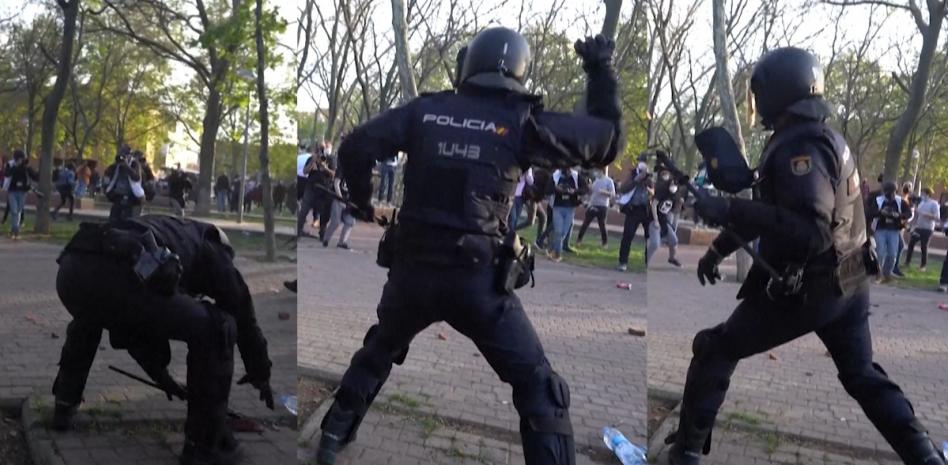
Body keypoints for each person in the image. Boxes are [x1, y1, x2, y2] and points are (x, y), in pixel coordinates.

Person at [315, 29, 621, 465]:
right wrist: (599, 71)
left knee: (380, 348)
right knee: (539, 386)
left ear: (467, 65)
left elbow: (356, 146)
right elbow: (606, 140)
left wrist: (362, 201)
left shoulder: (426, 111)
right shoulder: (523, 122)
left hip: (412, 277)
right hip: (479, 284)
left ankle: (331, 437)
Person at [665, 47, 946, 465]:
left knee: (715, 350)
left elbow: (808, 230)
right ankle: (926, 457)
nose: (756, 105)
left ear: (778, 92)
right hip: (849, 281)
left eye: (759, 94)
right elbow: (777, 213)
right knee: (862, 375)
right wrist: (720, 248)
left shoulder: (802, 150)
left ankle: (684, 455)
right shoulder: (824, 137)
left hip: (810, 290)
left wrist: (727, 209)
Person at [51, 215, 274, 465]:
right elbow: (241, 309)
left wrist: (162, 376)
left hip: (71, 272)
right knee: (218, 327)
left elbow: (133, 322)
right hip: (117, 274)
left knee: (91, 314)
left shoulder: (163, 231)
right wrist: (260, 370)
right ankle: (205, 447)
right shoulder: (213, 248)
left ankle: (64, 403)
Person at [867, 181, 911, 283]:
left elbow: (908, 213)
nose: (890, 195)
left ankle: (887, 274)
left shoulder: (900, 201)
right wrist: (880, 212)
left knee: (892, 254)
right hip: (880, 229)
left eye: (893, 193)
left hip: (894, 230)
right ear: (884, 192)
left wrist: (899, 215)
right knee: (880, 253)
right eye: (888, 193)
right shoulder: (878, 200)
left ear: (896, 191)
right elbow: (870, 213)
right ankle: (878, 275)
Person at [616, 155, 651, 271]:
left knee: (649, 238)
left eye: (646, 162)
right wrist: (636, 180)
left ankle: (648, 263)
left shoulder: (650, 176)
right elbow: (623, 189)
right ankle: (623, 262)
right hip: (633, 209)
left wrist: (648, 180)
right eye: (642, 161)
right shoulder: (632, 174)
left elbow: (655, 190)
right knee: (628, 235)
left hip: (647, 210)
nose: (644, 164)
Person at [646, 166, 682, 267]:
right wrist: (656, 220)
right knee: (655, 244)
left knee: (674, 240)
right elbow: (653, 205)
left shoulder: (675, 195)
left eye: (675, 185)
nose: (673, 186)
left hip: (664, 220)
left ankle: (671, 258)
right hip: (654, 219)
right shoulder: (662, 190)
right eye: (672, 184)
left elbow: (673, 209)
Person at [549, 167, 584, 261]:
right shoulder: (556, 176)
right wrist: (557, 189)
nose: (567, 172)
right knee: (558, 231)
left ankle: (553, 249)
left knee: (564, 232)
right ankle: (557, 255)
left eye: (569, 170)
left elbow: (585, 189)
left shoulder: (576, 176)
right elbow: (548, 189)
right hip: (557, 207)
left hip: (570, 208)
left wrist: (574, 191)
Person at [576, 167, 615, 247]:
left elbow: (613, 194)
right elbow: (591, 192)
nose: (596, 172)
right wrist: (589, 188)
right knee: (585, 223)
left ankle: (605, 243)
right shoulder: (596, 180)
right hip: (592, 204)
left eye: (598, 170)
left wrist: (604, 192)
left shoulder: (609, 181)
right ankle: (579, 240)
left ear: (602, 171)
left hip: (602, 206)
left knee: (602, 225)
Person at [3, 149, 38, 239]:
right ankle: (16, 230)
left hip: (23, 192)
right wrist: (16, 166)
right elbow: (7, 174)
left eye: (21, 159)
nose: (20, 160)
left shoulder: (26, 166)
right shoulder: (11, 165)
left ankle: (14, 230)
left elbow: (34, 176)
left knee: (18, 211)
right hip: (12, 191)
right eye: (18, 159)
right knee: (14, 211)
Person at [905, 187, 939, 272]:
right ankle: (907, 262)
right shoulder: (921, 203)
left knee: (924, 247)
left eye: (924, 193)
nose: (922, 195)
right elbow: (917, 215)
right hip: (918, 228)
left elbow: (936, 217)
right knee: (911, 243)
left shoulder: (933, 203)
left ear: (928, 194)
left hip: (927, 229)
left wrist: (925, 214)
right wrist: (911, 224)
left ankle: (923, 266)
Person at [104, 146, 142, 221]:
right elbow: (107, 176)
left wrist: (127, 167)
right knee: (113, 218)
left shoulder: (134, 164)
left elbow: (137, 178)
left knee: (127, 219)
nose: (122, 158)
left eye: (125, 156)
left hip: (130, 195)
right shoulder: (115, 166)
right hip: (117, 195)